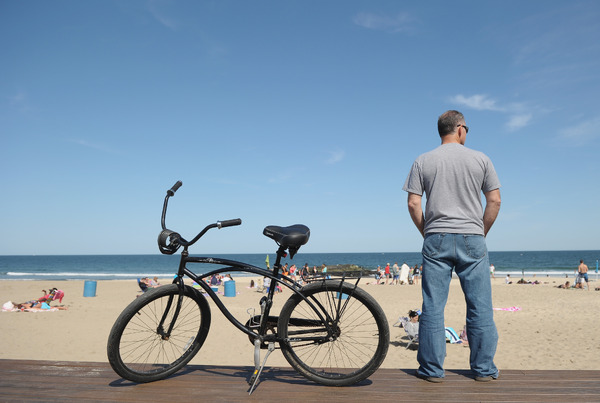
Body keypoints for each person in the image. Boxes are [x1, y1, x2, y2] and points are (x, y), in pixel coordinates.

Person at [403, 110, 501, 383]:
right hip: (472, 236)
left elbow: (413, 203)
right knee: (480, 306)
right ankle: (483, 370)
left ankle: (432, 371)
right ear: (460, 129)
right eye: (467, 129)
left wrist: (427, 231)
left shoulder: (423, 160)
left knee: (433, 306)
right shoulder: (481, 159)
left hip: (436, 237)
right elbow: (495, 201)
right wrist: (480, 232)